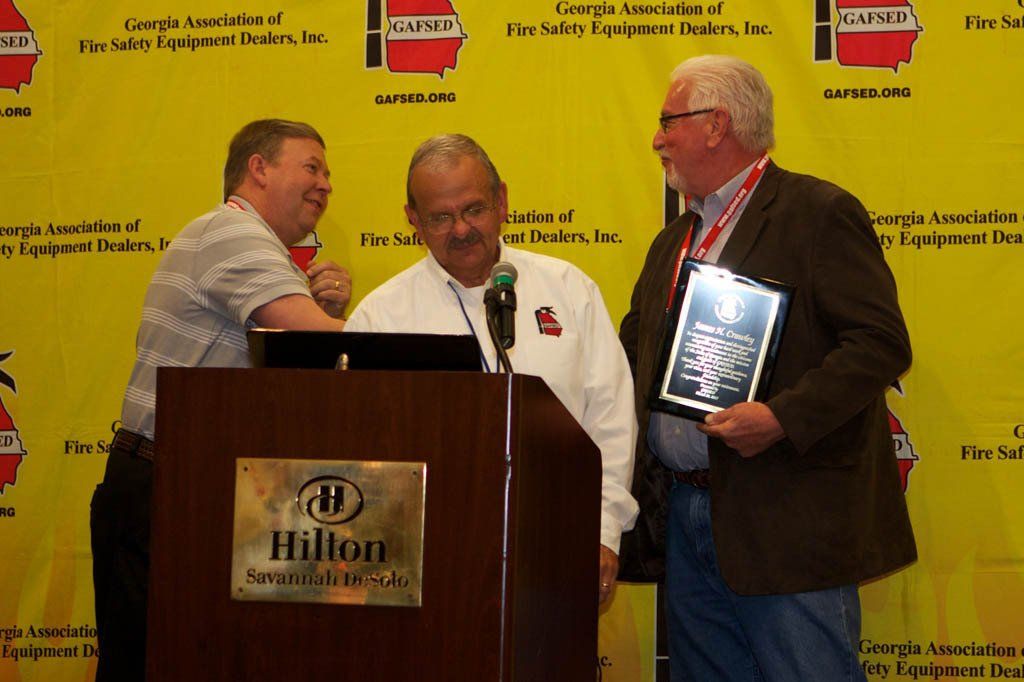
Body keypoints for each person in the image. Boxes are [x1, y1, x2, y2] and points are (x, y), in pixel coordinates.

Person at [618, 55, 916, 680]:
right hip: (686, 514)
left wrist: (781, 417)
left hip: (788, 519)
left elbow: (880, 343)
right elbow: (632, 353)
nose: (657, 140)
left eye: (668, 121)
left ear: (717, 124)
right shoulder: (672, 241)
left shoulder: (818, 213)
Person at [90, 119, 351, 681]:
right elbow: (310, 337)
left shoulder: (256, 247)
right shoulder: (232, 232)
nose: (326, 184)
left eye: (328, 173)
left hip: (195, 486)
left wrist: (324, 317)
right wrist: (370, 336)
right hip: (163, 488)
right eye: (312, 167)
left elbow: (287, 377)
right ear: (259, 169)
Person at [344, 134, 639, 603]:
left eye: (473, 209)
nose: (461, 229)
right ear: (413, 220)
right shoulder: (380, 316)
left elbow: (611, 419)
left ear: (501, 201)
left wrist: (603, 531)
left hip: (557, 535)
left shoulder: (568, 289)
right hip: (429, 555)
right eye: (440, 217)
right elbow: (361, 449)